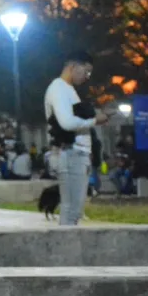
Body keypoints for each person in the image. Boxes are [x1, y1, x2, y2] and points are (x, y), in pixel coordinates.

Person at [44, 51, 108, 226]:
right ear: (73, 66)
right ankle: (65, 251)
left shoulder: (67, 89)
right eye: (86, 71)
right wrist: (95, 120)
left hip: (76, 154)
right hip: (70, 153)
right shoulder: (58, 88)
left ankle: (67, 249)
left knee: (74, 209)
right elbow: (66, 123)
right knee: (71, 209)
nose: (87, 77)